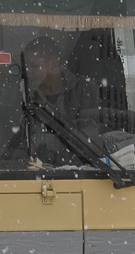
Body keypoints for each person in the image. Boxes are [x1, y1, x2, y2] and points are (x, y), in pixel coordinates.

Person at [21, 35, 101, 164]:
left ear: (53, 64)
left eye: (34, 66)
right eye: (26, 66)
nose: (28, 72)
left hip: (82, 168)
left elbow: (89, 137)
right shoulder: (24, 93)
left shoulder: (83, 89)